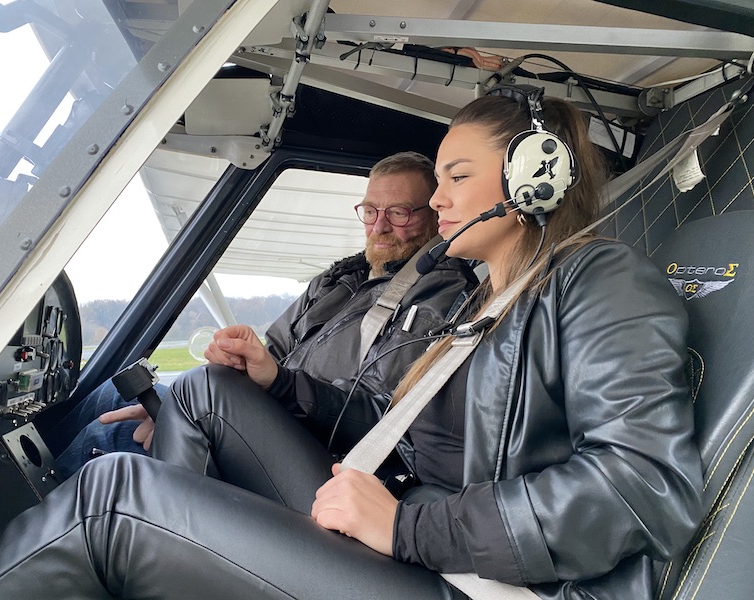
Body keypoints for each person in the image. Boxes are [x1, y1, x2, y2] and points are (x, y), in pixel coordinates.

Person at [0, 89, 703, 600]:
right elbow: (402, 435)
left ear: (534, 181)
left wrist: (406, 525)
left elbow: (646, 489)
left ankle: (136, 547)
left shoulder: (602, 280)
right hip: (425, 533)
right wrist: (281, 384)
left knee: (110, 498)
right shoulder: (485, 300)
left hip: (491, 584)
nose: (439, 199)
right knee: (207, 390)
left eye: (457, 176)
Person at [46, 151, 477, 477]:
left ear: (433, 214)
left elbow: (371, 417)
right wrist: (203, 388)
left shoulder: (440, 295)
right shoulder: (339, 280)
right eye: (370, 210)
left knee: (106, 438)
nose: (379, 225)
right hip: (263, 411)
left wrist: (206, 413)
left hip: (305, 450)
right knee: (111, 392)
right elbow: (272, 350)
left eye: (398, 213)